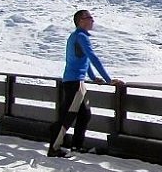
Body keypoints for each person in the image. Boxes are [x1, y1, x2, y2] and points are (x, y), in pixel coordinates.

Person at [49, 9, 122, 157]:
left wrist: (93, 77)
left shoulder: (76, 36)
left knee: (85, 115)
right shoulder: (81, 37)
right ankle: (54, 148)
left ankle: (77, 146)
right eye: (88, 17)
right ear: (80, 21)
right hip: (75, 83)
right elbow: (93, 57)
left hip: (76, 82)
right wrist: (109, 80)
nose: (92, 20)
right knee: (67, 116)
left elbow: (84, 60)